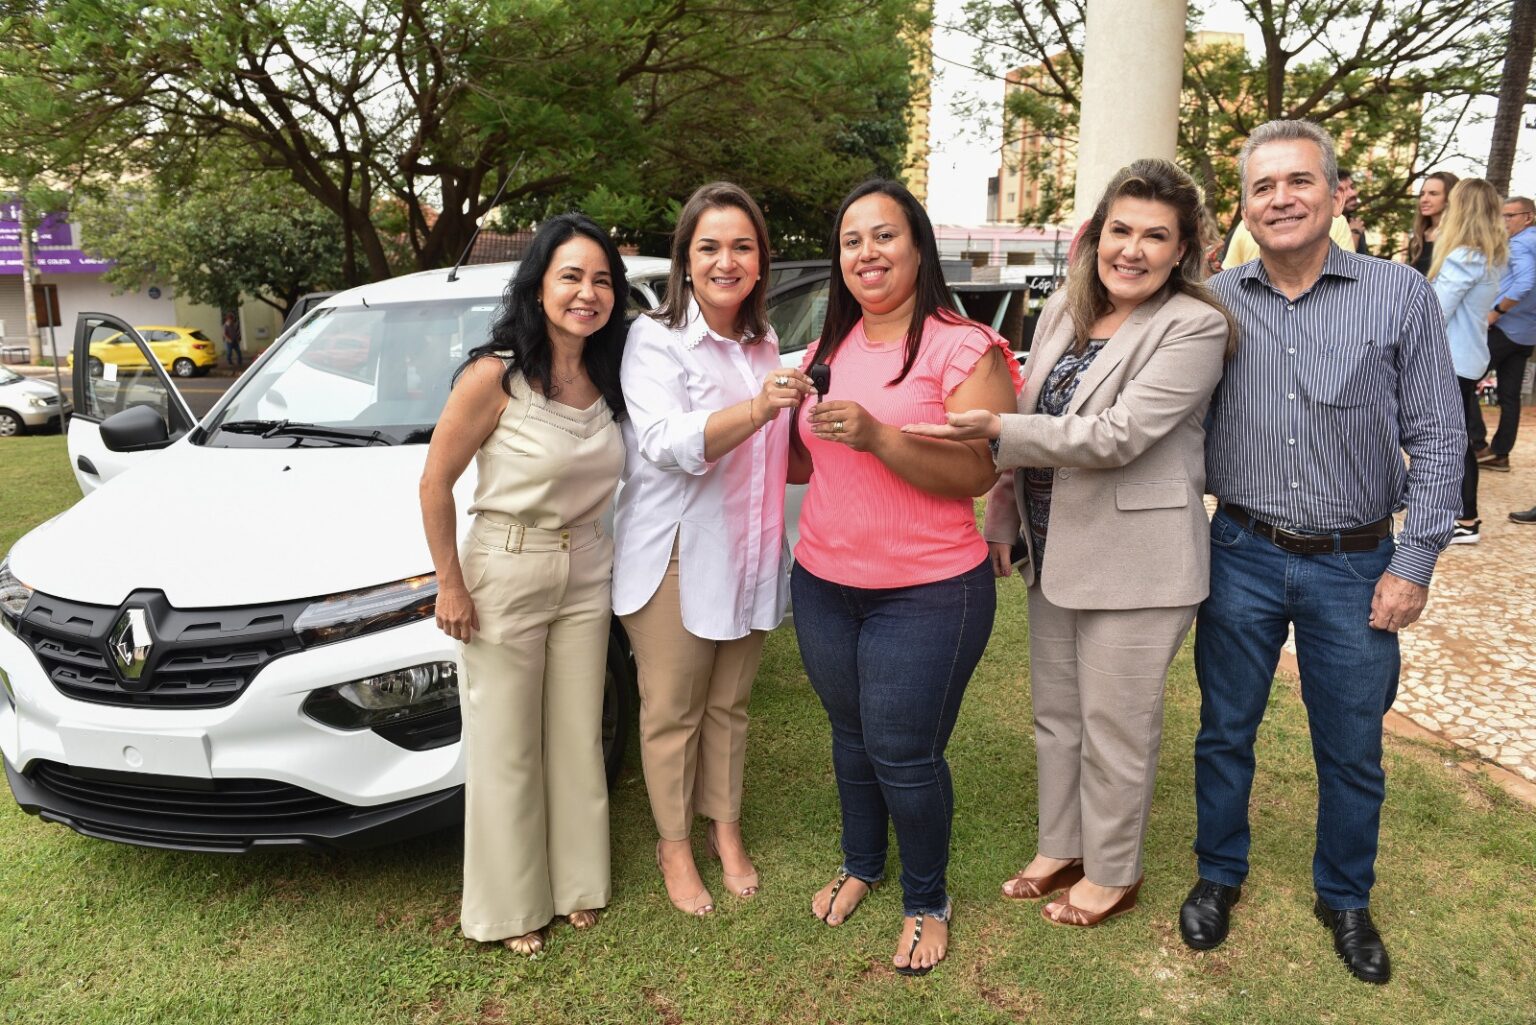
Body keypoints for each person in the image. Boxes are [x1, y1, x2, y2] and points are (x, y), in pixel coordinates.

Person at [908, 159, 1237, 928]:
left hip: (1140, 561)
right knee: (1058, 715)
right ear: (1097, 234)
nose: (1133, 249)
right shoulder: (1063, 308)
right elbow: (1032, 406)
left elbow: (1118, 435)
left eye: (1155, 236)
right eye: (1121, 229)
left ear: (1182, 250)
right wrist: (1002, 508)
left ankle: (1115, 870)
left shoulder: (1195, 325)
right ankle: (1063, 844)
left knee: (1116, 726)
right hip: (1053, 547)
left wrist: (998, 429)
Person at [1184, 120, 1462, 986]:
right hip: (1241, 549)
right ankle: (1218, 872)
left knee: (1351, 744)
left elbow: (1440, 437)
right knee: (1224, 728)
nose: (1281, 199)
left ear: (1337, 193)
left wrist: (1414, 563)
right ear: (1244, 205)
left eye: (1299, 181)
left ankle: (1344, 895)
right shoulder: (1212, 302)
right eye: (1262, 186)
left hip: (1356, 562)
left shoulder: (1399, 294)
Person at [792, 179, 1021, 975]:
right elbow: (809, 459)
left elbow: (977, 471)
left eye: (884, 235)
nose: (868, 253)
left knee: (903, 750)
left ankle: (927, 897)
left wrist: (882, 437)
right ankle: (862, 861)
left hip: (928, 590)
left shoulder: (965, 347)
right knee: (850, 735)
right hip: (823, 581)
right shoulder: (827, 349)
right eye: (851, 240)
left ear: (919, 247)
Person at [419, 213, 629, 956]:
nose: (587, 293)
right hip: (504, 569)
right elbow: (435, 482)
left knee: (575, 733)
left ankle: (576, 883)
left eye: (601, 279)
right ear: (539, 286)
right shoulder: (495, 376)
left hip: (586, 569)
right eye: (570, 276)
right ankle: (509, 907)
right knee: (507, 745)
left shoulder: (609, 375)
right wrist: (450, 582)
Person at [614, 183, 813, 917]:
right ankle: (674, 844)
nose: (726, 261)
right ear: (686, 260)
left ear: (761, 260)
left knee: (730, 704)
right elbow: (663, 441)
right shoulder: (655, 339)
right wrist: (759, 407)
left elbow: (775, 456)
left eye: (741, 246)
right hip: (675, 553)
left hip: (751, 550)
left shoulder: (765, 342)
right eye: (710, 247)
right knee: (674, 710)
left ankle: (724, 826)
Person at [1428, 178, 1509, 546]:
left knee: (1452, 442)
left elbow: (1435, 312)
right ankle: (1459, 515)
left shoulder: (1465, 257)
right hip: (1467, 357)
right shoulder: (1490, 257)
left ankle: (1465, 518)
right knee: (1454, 439)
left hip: (1451, 360)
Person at [1471, 196, 1536, 471]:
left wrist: (1496, 312)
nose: (1503, 221)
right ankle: (1500, 455)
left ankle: (1478, 446)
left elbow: (1525, 283)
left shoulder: (1520, 243)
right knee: (1510, 397)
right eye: (1502, 215)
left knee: (1462, 381)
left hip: (1505, 329)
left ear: (1528, 217)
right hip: (1527, 334)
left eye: (1510, 216)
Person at [1221, 181, 1353, 270]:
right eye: (1264, 188)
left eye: (1299, 182)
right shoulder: (1245, 227)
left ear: (1335, 199)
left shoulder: (1335, 222)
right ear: (1245, 213)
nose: (1281, 200)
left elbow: (1348, 270)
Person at [1409, 170, 1460, 275]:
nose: (1424, 199)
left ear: (1450, 198)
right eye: (1422, 194)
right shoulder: (1417, 241)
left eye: (1433, 194)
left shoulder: (1460, 239)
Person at [1339, 169, 1370, 255]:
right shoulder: (1322, 226)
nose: (1353, 193)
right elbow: (1339, 261)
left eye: (1352, 187)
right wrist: (1354, 233)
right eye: (1343, 190)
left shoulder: (1355, 223)